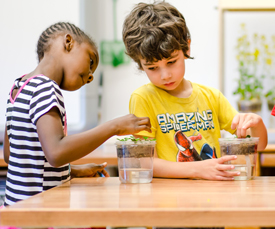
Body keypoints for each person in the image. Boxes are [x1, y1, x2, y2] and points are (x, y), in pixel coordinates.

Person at [3, 22, 151, 206]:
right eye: (90, 62)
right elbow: (56, 153)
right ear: (68, 42)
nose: (90, 77)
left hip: (15, 214)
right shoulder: (46, 88)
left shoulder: (19, 87)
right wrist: (114, 126)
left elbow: (13, 155)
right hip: (39, 217)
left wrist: (71, 171)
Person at [122, 1, 268, 181]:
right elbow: (145, 162)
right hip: (167, 199)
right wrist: (197, 169)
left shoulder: (211, 97)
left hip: (212, 195)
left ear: (186, 48)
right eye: (152, 68)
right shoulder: (143, 98)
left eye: (171, 62)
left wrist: (257, 124)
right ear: (140, 63)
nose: (165, 75)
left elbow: (258, 146)